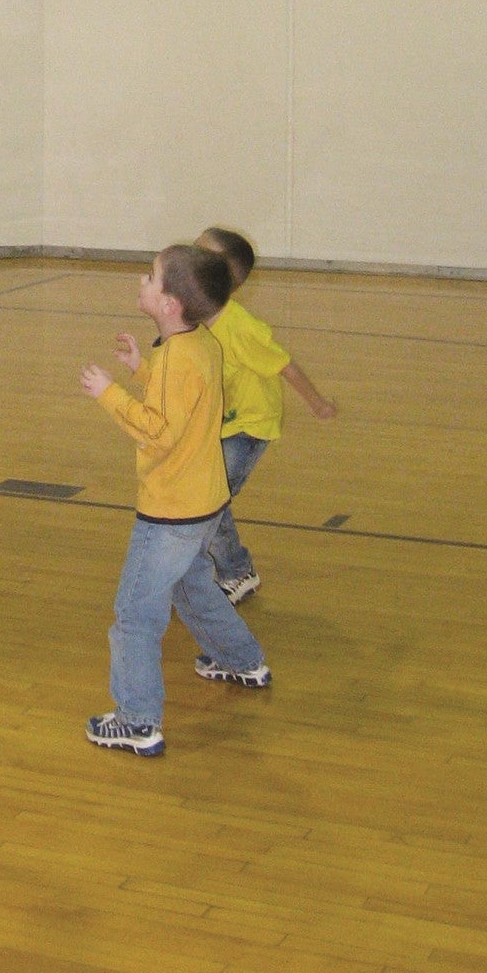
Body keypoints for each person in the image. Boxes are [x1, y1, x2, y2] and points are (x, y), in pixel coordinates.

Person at [79, 245, 271, 758]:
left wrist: (110, 393)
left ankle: (137, 720)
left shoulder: (181, 357)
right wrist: (143, 369)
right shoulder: (198, 344)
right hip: (205, 503)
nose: (141, 281)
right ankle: (242, 659)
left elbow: (158, 430)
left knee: (136, 616)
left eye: (150, 278)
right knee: (193, 588)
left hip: (170, 514)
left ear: (168, 304)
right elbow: (183, 396)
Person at [196, 227, 337, 604]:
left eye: (200, 251)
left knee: (212, 498)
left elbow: (286, 366)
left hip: (251, 425)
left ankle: (236, 572)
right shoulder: (195, 316)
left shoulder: (240, 326)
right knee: (205, 495)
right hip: (223, 421)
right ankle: (213, 567)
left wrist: (317, 403)